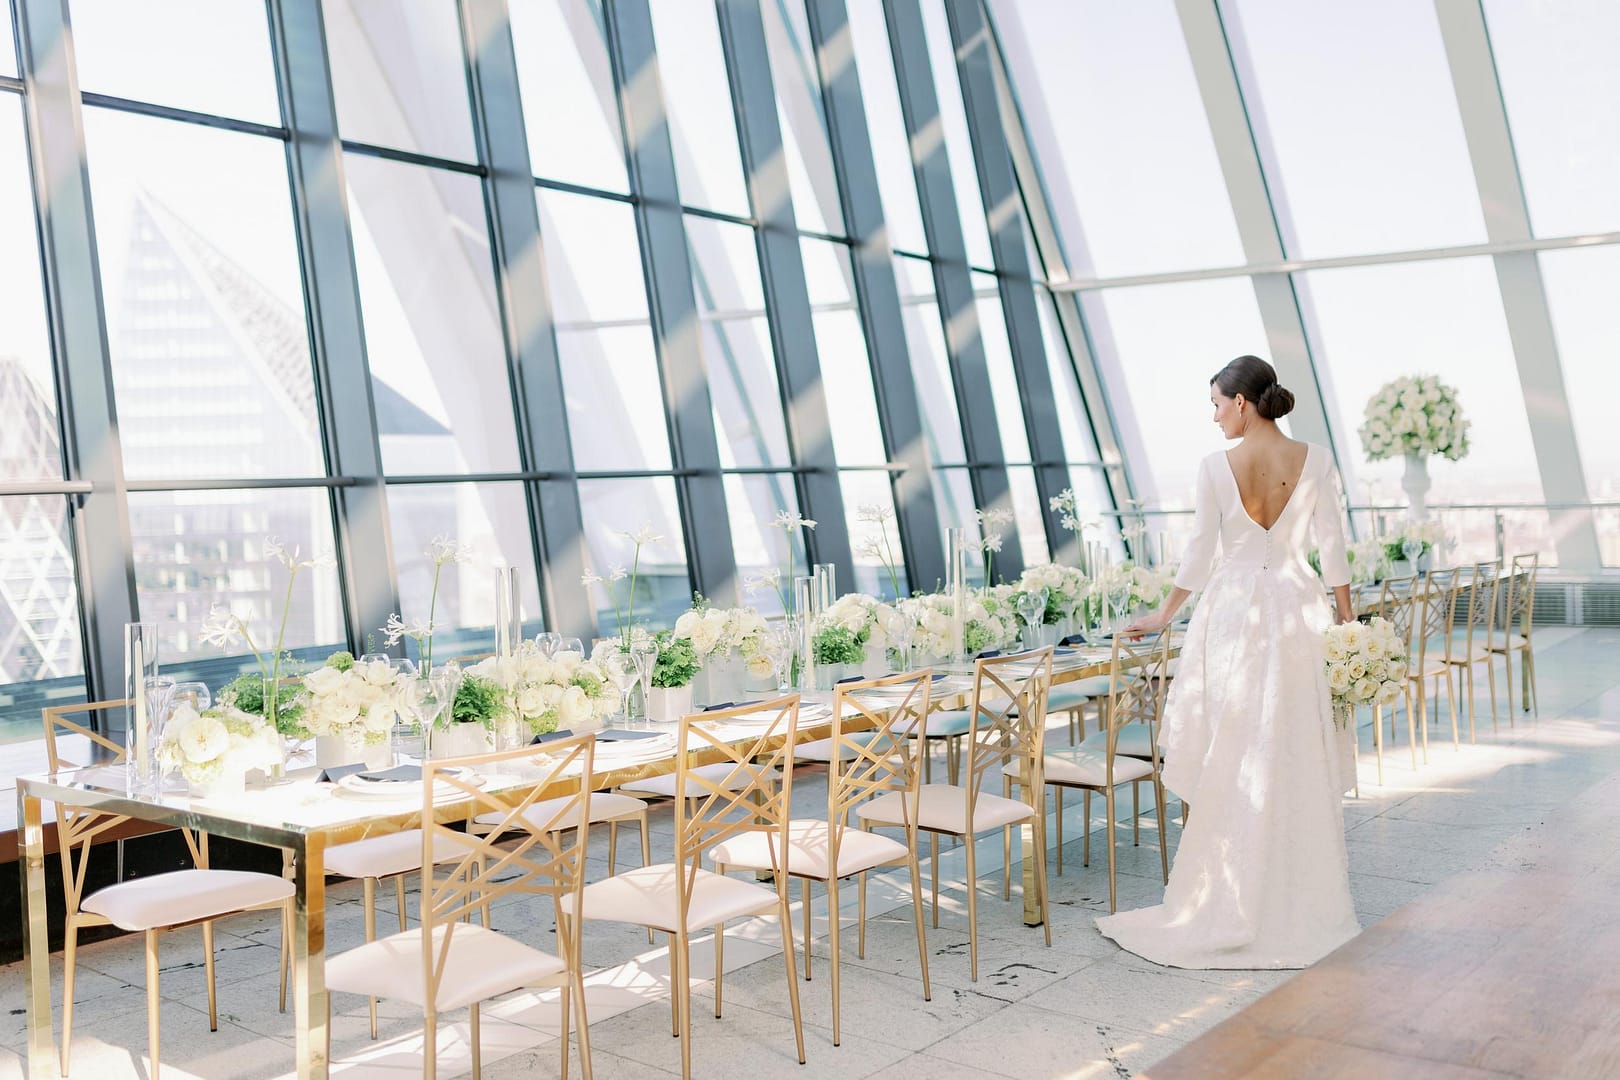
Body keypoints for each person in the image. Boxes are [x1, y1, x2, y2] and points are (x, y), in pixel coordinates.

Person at [1096, 354, 1360, 970]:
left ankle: (1230, 893)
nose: (1214, 418)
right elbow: (1334, 550)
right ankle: (1298, 895)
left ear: (1241, 402)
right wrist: (1347, 624)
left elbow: (1198, 555)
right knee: (1291, 745)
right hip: (1299, 609)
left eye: (1216, 404)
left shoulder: (1216, 468)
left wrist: (1162, 616)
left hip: (1236, 611)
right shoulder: (1315, 459)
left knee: (1235, 748)